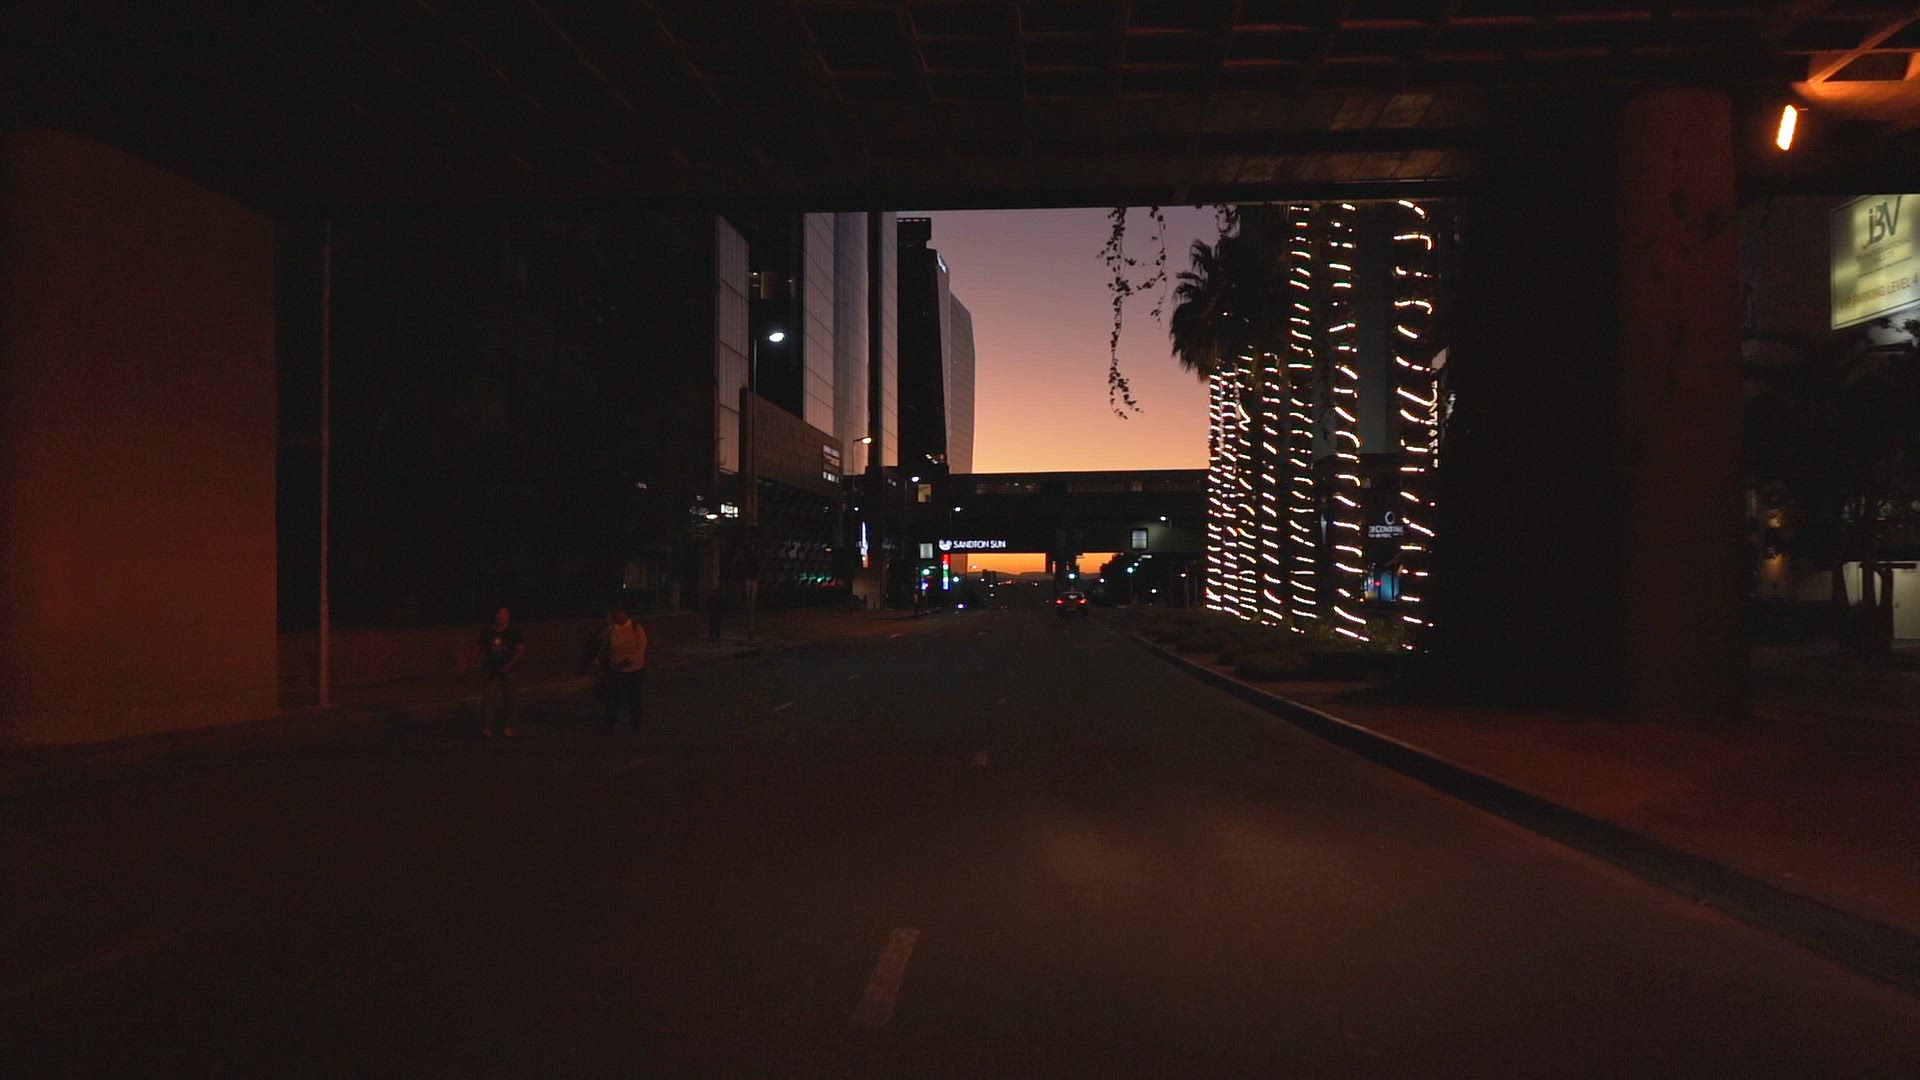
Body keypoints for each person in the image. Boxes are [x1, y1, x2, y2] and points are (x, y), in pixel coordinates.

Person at [586, 606, 648, 731]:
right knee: (612, 697)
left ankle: (635, 723)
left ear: (626, 614)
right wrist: (598, 661)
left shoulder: (636, 628)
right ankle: (609, 725)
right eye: (616, 614)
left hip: (634, 670)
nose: (617, 616)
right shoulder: (612, 629)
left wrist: (628, 661)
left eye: (620, 613)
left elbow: (640, 649)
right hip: (616, 669)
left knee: (633, 697)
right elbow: (605, 647)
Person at [474, 606, 524, 737]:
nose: (500, 616)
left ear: (508, 617)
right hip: (493, 670)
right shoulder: (489, 631)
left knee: (509, 699)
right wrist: (474, 658)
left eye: (504, 614)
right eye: (499, 613)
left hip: (509, 671)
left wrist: (510, 665)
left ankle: (509, 726)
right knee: (488, 698)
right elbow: (480, 646)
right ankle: (487, 727)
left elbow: (520, 651)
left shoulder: (514, 631)